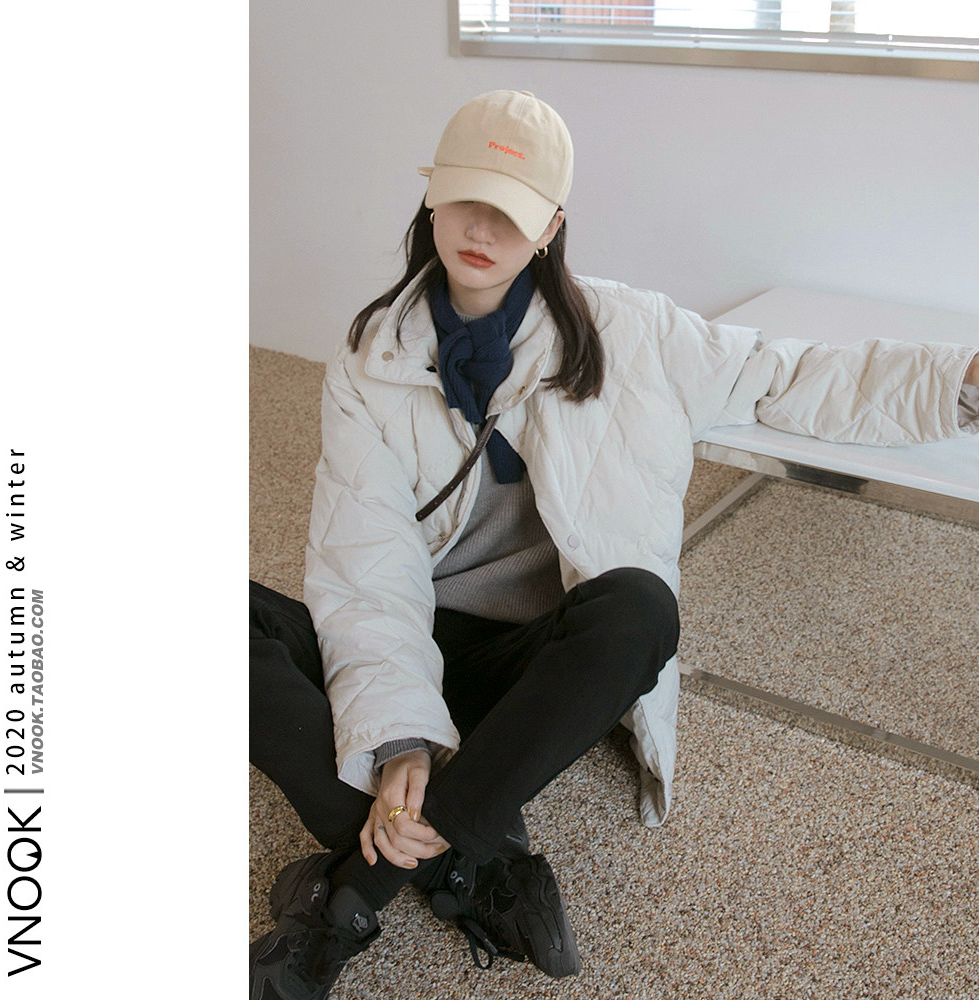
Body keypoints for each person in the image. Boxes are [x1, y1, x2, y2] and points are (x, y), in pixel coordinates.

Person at [249, 90, 979, 1000]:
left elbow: (787, 373)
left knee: (639, 607)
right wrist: (399, 734)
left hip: (539, 666)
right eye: (467, 197)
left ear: (551, 227)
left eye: (512, 211)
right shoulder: (369, 357)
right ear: (432, 195)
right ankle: (472, 854)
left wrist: (960, 376)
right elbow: (366, 567)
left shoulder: (633, 331)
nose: (482, 228)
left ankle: (348, 899)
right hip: (419, 633)